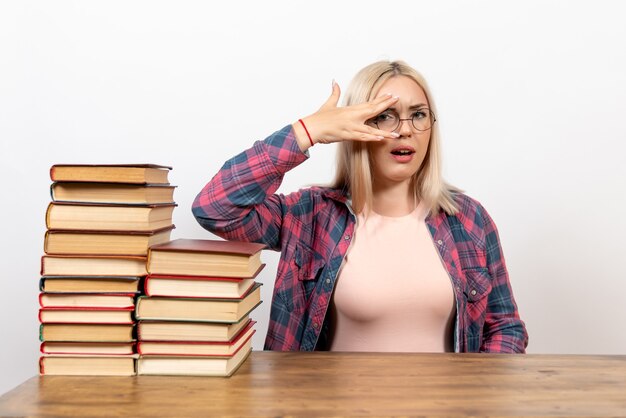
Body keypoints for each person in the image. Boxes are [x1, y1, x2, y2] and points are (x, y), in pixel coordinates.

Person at [192, 60, 528, 353]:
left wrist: (478, 397)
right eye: (385, 116)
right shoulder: (310, 216)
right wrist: (306, 131)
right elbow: (215, 207)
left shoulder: (469, 219)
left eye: (418, 115)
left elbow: (505, 328)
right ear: (356, 126)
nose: (405, 131)